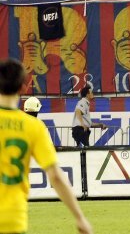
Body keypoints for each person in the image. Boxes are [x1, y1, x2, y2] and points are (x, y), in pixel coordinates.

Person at [0, 59, 94, 234]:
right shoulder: (33, 127)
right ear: (23, 87)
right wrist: (79, 217)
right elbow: (55, 176)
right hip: (11, 219)